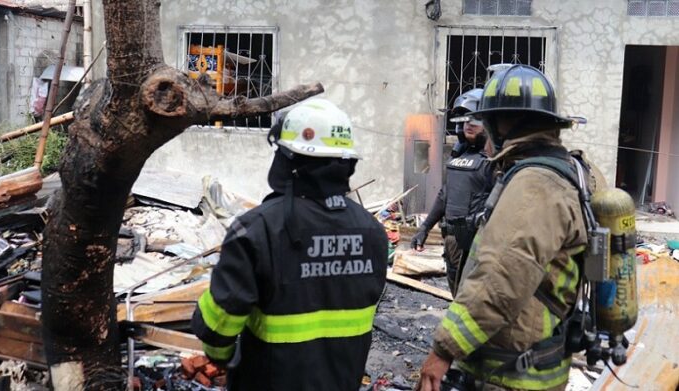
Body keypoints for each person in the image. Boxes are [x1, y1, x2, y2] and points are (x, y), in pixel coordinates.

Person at [417, 65, 604, 391]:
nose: (484, 132)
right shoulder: (578, 169)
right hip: (542, 358)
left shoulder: (535, 185)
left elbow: (500, 280)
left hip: (512, 372)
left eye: (488, 122)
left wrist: (443, 350)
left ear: (505, 123)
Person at [191, 98, 388, 391]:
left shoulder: (256, 229)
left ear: (288, 159)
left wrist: (220, 357)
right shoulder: (373, 232)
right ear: (347, 164)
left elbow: (222, 318)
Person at [411, 88, 492, 292]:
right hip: (453, 242)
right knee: (457, 297)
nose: (469, 124)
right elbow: (444, 194)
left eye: (477, 119)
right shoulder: (458, 158)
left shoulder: (495, 162)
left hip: (479, 244)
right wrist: (424, 229)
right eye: (466, 119)